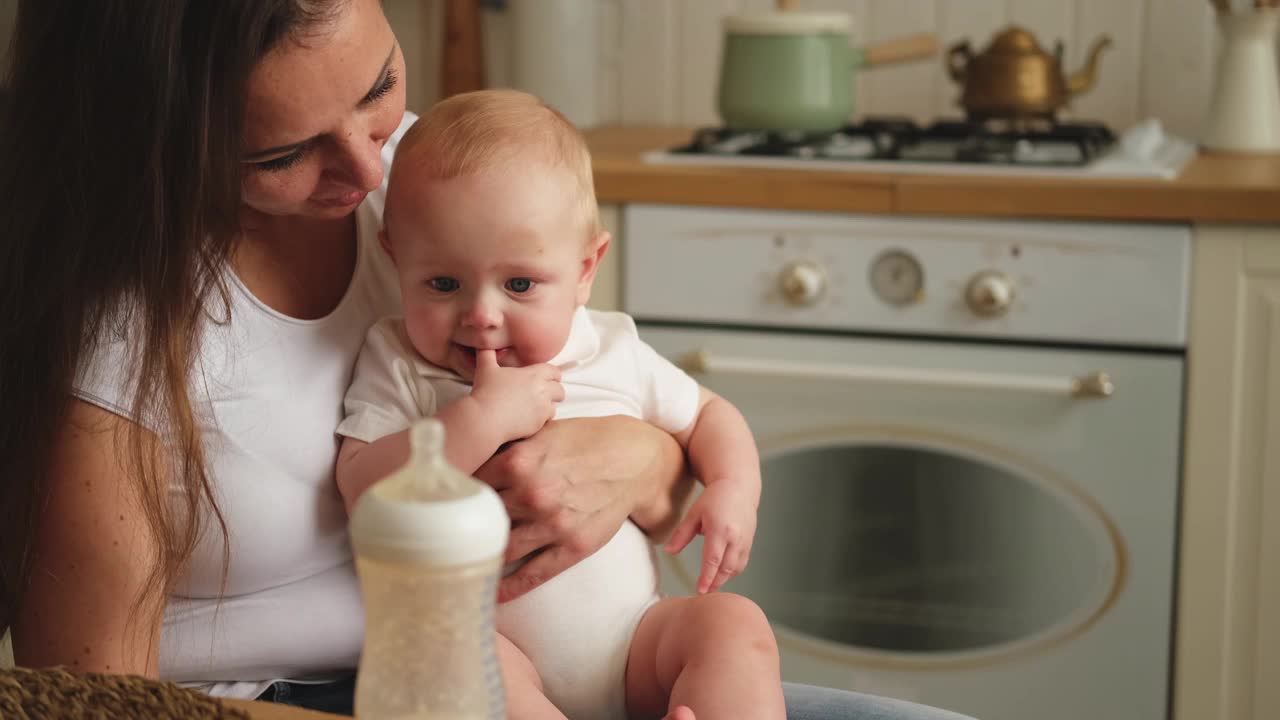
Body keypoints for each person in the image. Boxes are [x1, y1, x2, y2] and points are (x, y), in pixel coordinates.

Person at [0, 2, 974, 719]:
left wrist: (640, 459)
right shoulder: (119, 332)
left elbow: (662, 469)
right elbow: (90, 700)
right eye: (284, 153)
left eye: (378, 87)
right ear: (161, 141)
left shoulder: (442, 181)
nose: (370, 170)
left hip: (607, 645)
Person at [334, 88, 781, 720]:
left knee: (734, 625)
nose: (482, 316)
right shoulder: (400, 360)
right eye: (442, 283)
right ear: (395, 258)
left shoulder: (610, 347)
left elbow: (709, 414)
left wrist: (735, 484)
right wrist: (477, 420)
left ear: (584, 269)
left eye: (519, 284)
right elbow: (361, 488)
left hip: (634, 642)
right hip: (490, 652)